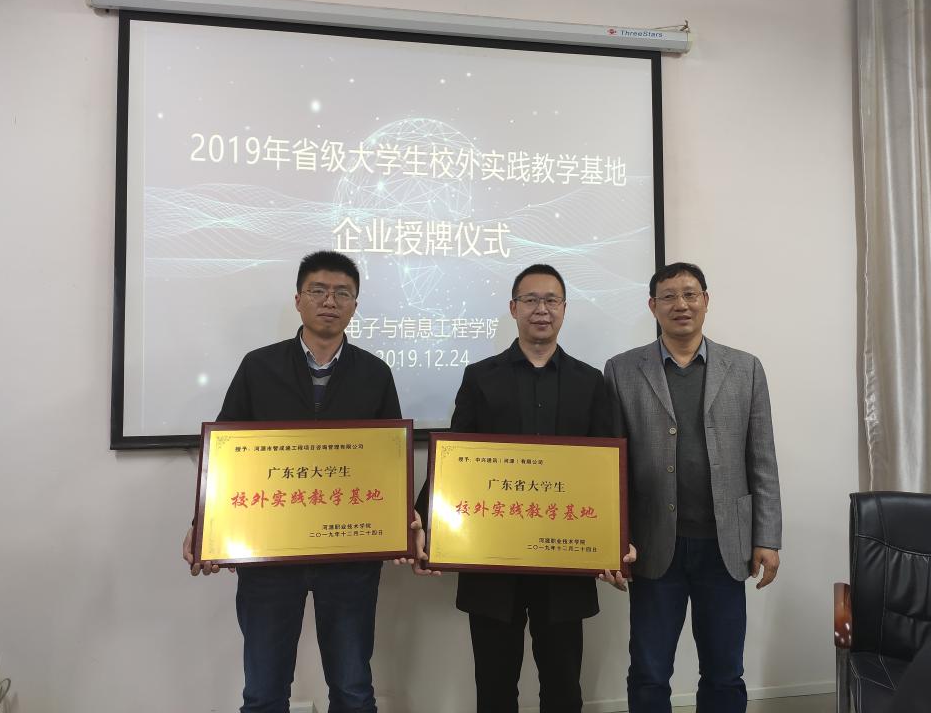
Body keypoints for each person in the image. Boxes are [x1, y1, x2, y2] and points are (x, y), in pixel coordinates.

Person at [181, 250, 403, 713]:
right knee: (264, 691)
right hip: (270, 553)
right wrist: (206, 523)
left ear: (355, 305)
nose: (330, 301)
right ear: (298, 299)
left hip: (348, 553)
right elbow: (227, 453)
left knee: (353, 688)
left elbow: (389, 461)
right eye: (318, 290)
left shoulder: (375, 373)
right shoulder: (258, 366)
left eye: (342, 293)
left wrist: (402, 523)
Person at [413, 263, 634, 713]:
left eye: (551, 300)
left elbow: (608, 468)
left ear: (564, 309)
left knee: (563, 688)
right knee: (495, 688)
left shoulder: (590, 381)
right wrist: (423, 523)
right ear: (513, 308)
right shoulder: (481, 376)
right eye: (531, 300)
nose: (541, 309)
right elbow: (454, 458)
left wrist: (619, 538)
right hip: (492, 561)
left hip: (565, 558)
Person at [604, 262, 782, 713]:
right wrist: (613, 540)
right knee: (649, 670)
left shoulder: (745, 369)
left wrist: (767, 537)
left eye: (690, 294)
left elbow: (762, 459)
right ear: (653, 306)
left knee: (724, 671)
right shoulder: (622, 370)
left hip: (724, 545)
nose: (680, 304)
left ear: (706, 300)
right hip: (653, 545)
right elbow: (612, 466)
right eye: (668, 296)